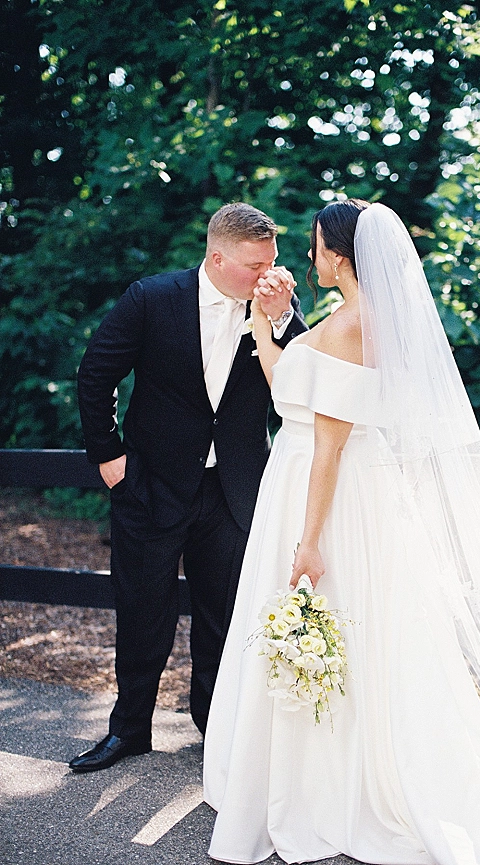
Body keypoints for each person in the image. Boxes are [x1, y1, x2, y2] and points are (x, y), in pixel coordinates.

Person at [203, 200, 480, 864]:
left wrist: (310, 538)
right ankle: (304, 772)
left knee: (341, 622)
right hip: (313, 483)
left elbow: (329, 446)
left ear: (339, 256)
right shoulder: (352, 318)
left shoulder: (352, 324)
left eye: (317, 247)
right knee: (356, 629)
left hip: (330, 497)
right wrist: (265, 326)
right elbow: (297, 387)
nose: (310, 257)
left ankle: (335, 783)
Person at [69, 202, 307, 773]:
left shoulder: (276, 305)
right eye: (256, 265)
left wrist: (278, 317)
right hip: (149, 485)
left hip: (233, 492)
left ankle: (216, 733)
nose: (269, 275)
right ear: (218, 257)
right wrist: (109, 456)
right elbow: (96, 373)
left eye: (274, 262)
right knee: (142, 611)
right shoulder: (151, 299)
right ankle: (128, 731)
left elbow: (306, 377)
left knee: (223, 617)